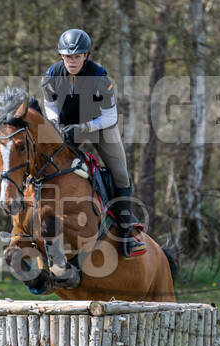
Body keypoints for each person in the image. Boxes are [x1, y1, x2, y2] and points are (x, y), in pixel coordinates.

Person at [41, 28, 146, 258]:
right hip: (68, 126)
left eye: (76, 56)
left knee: (120, 172)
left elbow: (111, 117)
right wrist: (56, 123)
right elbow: (49, 106)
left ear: (86, 56)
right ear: (61, 56)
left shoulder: (99, 76)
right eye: (67, 56)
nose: (72, 61)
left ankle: (127, 232)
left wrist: (86, 127)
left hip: (100, 127)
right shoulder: (51, 75)